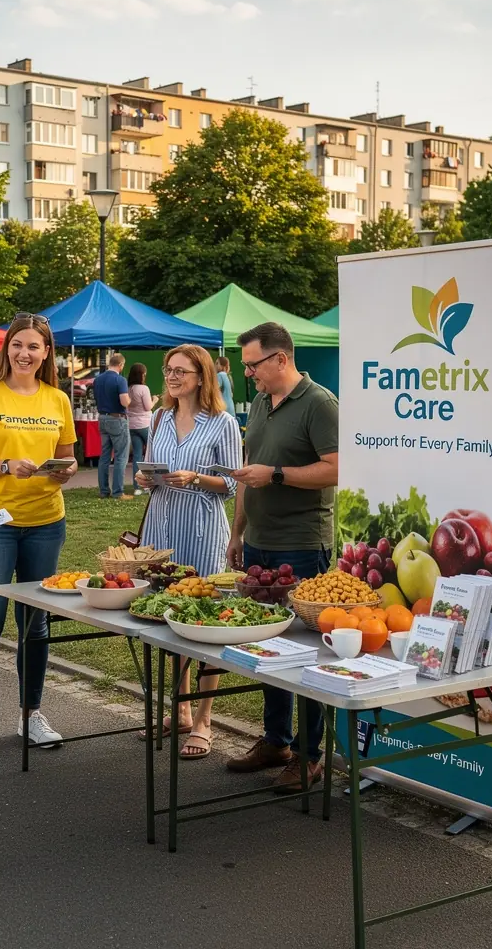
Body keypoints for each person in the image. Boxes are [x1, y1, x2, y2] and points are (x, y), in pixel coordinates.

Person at [0, 313, 78, 762]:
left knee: (36, 623)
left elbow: (67, 459)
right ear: (6, 349)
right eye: (17, 345)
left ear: (47, 353)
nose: (24, 354)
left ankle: (32, 715)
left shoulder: (57, 399)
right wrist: (6, 466)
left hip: (46, 520)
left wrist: (62, 472)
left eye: (34, 347)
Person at [226, 322, 338, 792]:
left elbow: (336, 468)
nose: (248, 372)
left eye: (253, 364)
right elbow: (246, 475)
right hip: (259, 542)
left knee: (305, 654)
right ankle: (276, 740)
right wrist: (237, 534)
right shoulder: (257, 401)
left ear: (281, 359)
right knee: (266, 647)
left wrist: (274, 475)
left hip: (301, 543)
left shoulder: (319, 403)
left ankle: (310, 756)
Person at [135, 344, 242, 759]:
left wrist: (197, 478)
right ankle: (178, 713)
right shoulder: (160, 416)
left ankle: (203, 718)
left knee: (205, 623)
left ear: (202, 377)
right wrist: (147, 480)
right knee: (168, 617)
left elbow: (232, 484)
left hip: (201, 530)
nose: (173, 377)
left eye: (182, 371)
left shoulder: (223, 423)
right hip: (163, 529)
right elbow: (148, 467)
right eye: (169, 370)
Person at [92, 353, 132, 500]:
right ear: (121, 365)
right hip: (117, 418)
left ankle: (103, 491)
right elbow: (124, 401)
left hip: (102, 417)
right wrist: (130, 400)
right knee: (121, 456)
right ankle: (118, 492)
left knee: (104, 456)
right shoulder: (120, 380)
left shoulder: (97, 379)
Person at [126, 363, 158, 497]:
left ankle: (137, 487)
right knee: (152, 453)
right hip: (145, 424)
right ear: (142, 375)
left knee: (137, 457)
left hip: (132, 425)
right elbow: (148, 406)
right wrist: (155, 400)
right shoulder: (143, 388)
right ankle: (150, 484)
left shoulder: (129, 388)